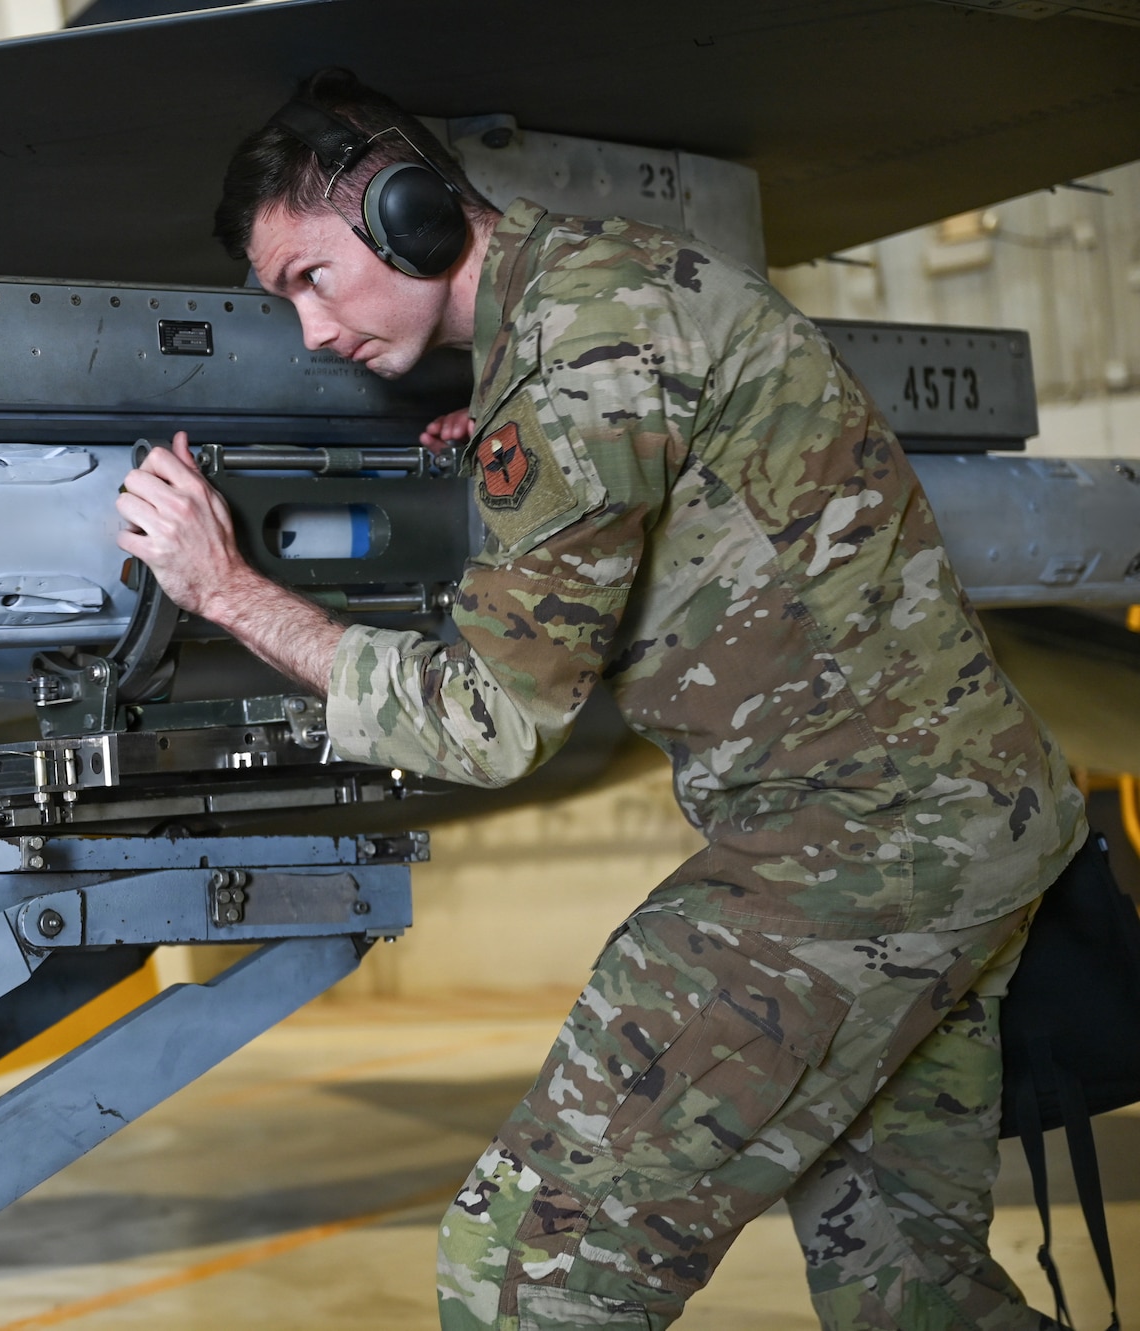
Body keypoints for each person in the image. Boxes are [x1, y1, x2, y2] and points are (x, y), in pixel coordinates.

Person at [113, 68, 1085, 1331]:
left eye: (309, 277)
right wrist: (511, 459)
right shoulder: (599, 295)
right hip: (965, 818)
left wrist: (225, 589)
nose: (310, 330)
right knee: (912, 1290)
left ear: (406, 211)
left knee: (527, 1262)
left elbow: (491, 720)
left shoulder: (580, 357)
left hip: (854, 841)